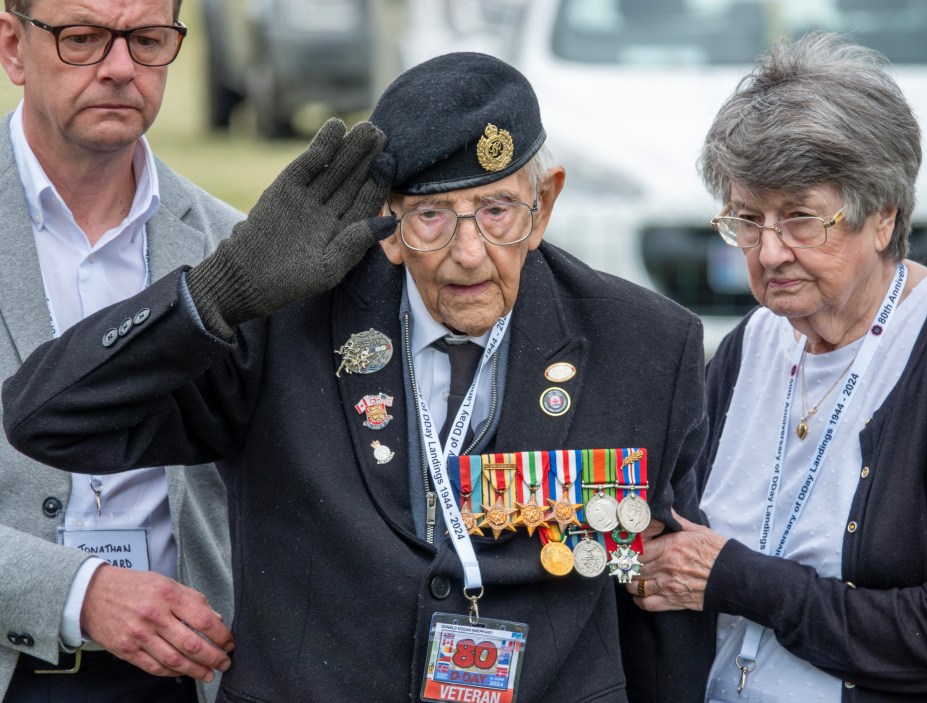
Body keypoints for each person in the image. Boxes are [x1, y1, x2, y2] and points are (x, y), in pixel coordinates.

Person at [2, 52, 714, 702]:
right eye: (433, 215)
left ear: (544, 204)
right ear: (389, 221)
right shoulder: (289, 324)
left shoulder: (646, 345)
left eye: (498, 210)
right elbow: (45, 416)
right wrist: (216, 293)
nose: (469, 253)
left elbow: (658, 602)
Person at [625, 32, 927, 703]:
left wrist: (741, 580)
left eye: (801, 219)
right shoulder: (751, 345)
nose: (770, 251)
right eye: (748, 220)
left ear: (883, 216)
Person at [0, 1, 238, 700]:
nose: (119, 68)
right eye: (82, 39)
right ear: (13, 46)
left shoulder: (233, 251)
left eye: (147, 39)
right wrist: (78, 591)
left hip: (188, 676)